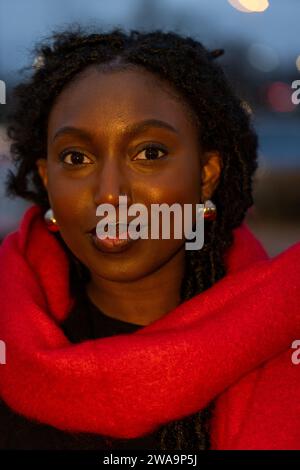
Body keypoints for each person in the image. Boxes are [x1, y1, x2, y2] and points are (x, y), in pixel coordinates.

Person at [0, 27, 299, 451]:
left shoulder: (286, 340)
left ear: (206, 175)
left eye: (150, 153)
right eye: (76, 158)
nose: (108, 194)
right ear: (48, 181)